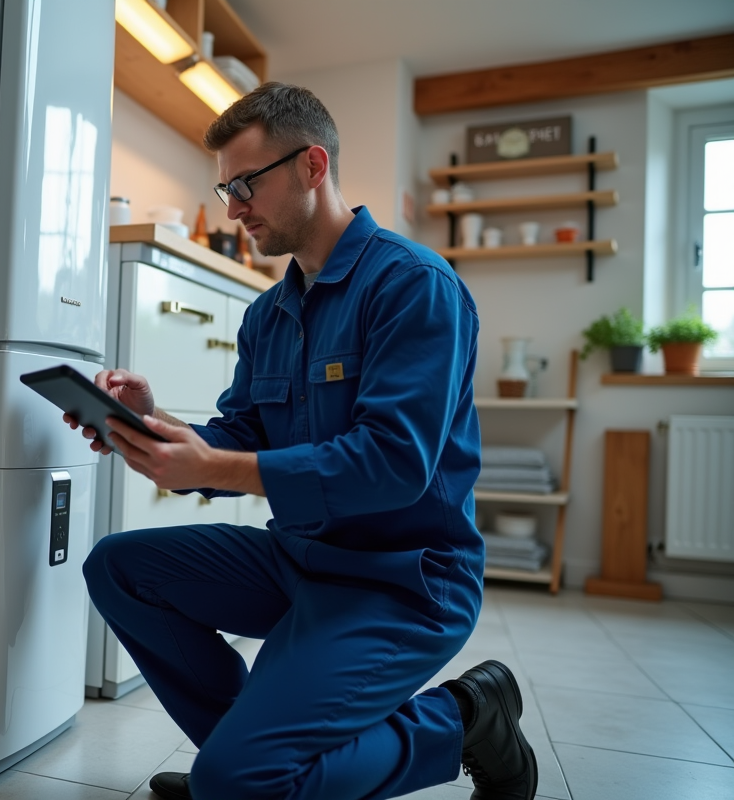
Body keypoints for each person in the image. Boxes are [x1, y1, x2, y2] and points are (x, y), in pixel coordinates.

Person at [68, 83, 537, 800]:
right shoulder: (269, 313)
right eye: (226, 189)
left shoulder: (414, 286)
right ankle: (245, 760)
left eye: (245, 185)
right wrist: (156, 425)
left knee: (238, 781)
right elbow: (240, 437)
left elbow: (393, 464)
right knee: (118, 566)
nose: (233, 208)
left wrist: (216, 463)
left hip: (404, 580)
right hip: (300, 560)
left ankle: (463, 720)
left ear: (313, 166)